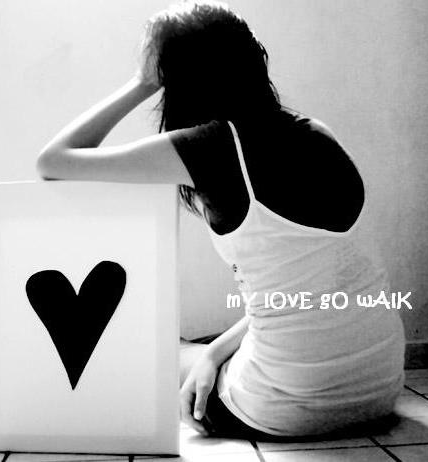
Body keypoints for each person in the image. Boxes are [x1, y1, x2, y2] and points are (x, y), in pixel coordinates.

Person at [37, 0, 405, 440]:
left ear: (178, 76)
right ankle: (214, 361)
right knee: (205, 348)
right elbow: (305, 294)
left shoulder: (208, 147)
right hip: (379, 388)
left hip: (286, 410)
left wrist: (141, 83)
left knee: (162, 348)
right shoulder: (315, 133)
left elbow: (54, 161)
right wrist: (213, 354)